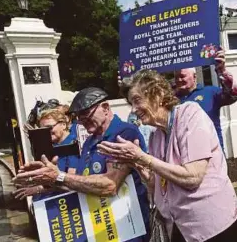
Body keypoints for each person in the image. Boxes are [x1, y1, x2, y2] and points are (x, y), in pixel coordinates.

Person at [97, 70, 237, 242]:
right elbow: (158, 186)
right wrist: (138, 165)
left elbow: (193, 177)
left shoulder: (190, 114)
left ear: (157, 95)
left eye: (136, 100)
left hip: (211, 225)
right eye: (131, 104)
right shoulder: (156, 136)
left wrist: (143, 158)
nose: (134, 110)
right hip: (179, 227)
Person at [13, 87, 150, 242]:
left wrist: (60, 176)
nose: (82, 121)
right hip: (103, 227)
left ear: (105, 108)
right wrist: (48, 180)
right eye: (78, 117)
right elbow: (78, 182)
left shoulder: (124, 133)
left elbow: (110, 185)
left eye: (85, 114)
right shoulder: (90, 142)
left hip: (128, 228)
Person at [174, 49, 237, 151]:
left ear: (195, 76)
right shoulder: (172, 100)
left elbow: (233, 95)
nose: (179, 80)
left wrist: (221, 71)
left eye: (182, 76)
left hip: (212, 154)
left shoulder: (210, 92)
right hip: (184, 156)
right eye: (176, 77)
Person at [13, 109, 80, 200]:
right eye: (43, 130)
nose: (47, 132)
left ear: (63, 125)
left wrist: (38, 189)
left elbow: (72, 182)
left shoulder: (72, 144)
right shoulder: (52, 145)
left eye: (50, 128)